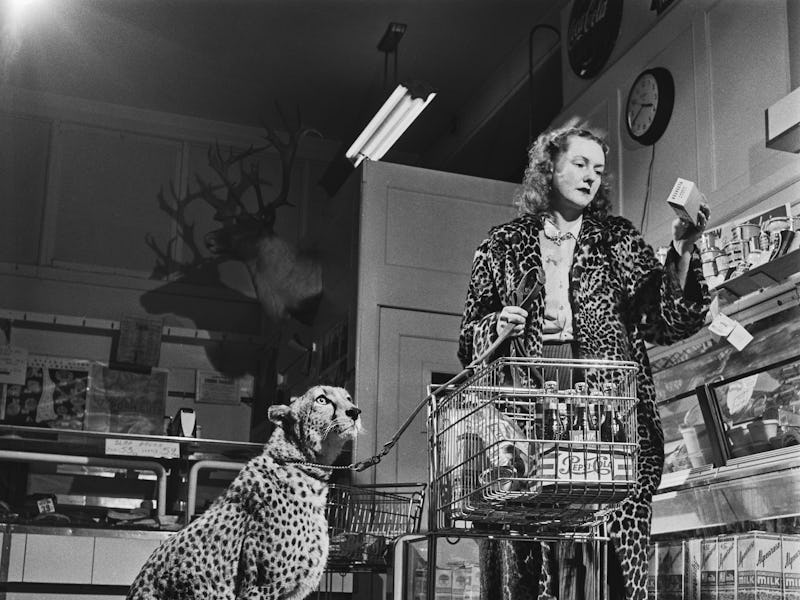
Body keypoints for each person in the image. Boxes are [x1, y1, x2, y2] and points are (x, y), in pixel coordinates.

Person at [458, 121, 711, 600]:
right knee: (535, 554)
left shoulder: (617, 239)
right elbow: (468, 340)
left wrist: (683, 247)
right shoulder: (501, 245)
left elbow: (667, 321)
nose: (591, 176)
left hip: (608, 413)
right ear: (548, 167)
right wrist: (498, 326)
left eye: (598, 168)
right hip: (529, 416)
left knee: (613, 556)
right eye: (579, 163)